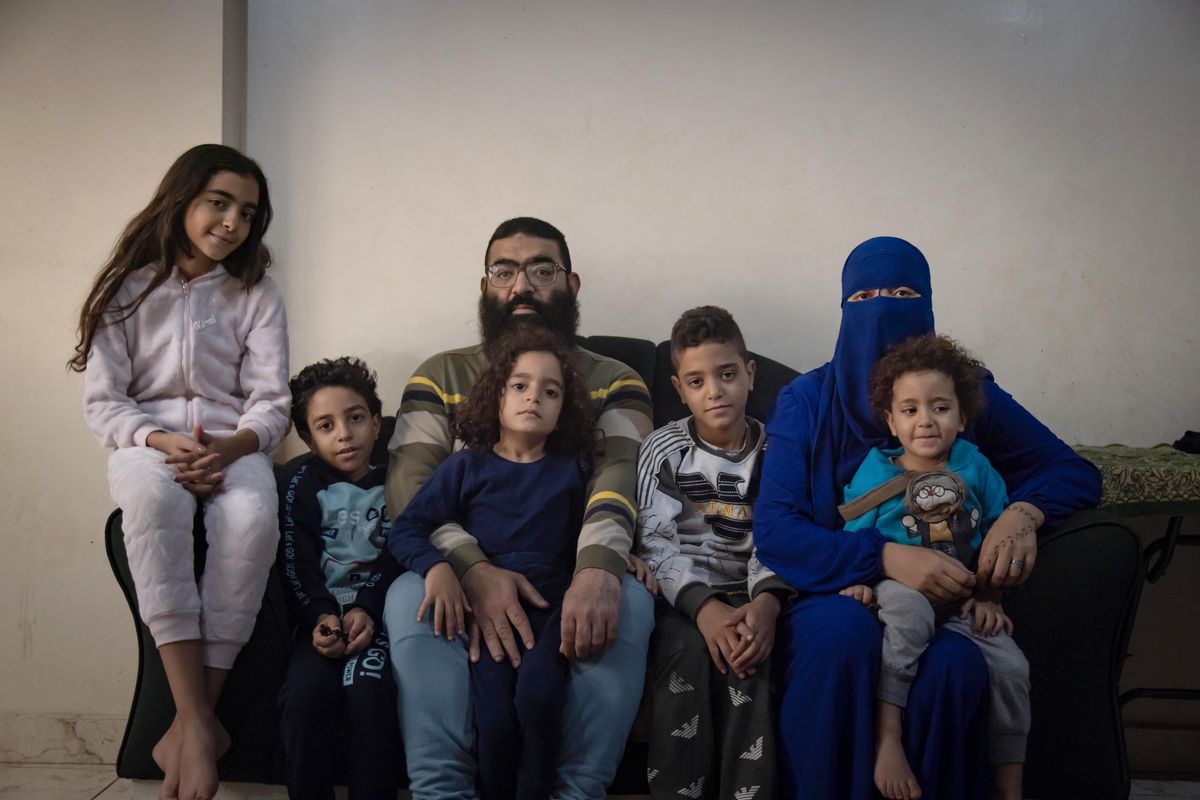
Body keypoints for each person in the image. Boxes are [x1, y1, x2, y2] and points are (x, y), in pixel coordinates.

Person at [753, 236, 1101, 800]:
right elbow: (776, 530)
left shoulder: (961, 394)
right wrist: (884, 557)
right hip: (837, 592)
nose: (883, 307)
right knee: (844, 639)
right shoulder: (806, 401)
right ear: (843, 311)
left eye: (902, 292)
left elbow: (1072, 471)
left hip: (946, 604)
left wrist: (1021, 513)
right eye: (864, 296)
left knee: (960, 665)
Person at [382, 217, 656, 799]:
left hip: (561, 566)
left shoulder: (618, 380)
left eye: (540, 270)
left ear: (571, 285)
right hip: (461, 562)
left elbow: (617, 479)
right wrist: (473, 569)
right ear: (485, 288)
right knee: (412, 594)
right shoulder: (440, 374)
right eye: (503, 271)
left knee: (623, 598)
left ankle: (577, 792)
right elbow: (410, 489)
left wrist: (594, 571)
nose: (520, 285)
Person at [74, 144, 288, 800]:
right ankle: (197, 722)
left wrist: (225, 450)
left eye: (247, 212)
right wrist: (164, 442)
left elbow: (273, 402)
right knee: (155, 508)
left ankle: (194, 721)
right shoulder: (127, 289)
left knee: (252, 520)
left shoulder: (257, 292)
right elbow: (105, 403)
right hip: (148, 444)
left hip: (235, 446)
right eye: (218, 203)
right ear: (183, 200)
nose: (232, 222)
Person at [390, 328, 598, 799]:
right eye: (520, 385)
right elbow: (407, 527)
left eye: (551, 391)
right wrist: (438, 567)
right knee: (495, 721)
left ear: (564, 407)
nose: (534, 398)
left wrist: (624, 558)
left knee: (541, 693)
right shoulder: (465, 466)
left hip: (552, 604)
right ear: (496, 394)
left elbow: (590, 535)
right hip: (487, 612)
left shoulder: (571, 468)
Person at [836, 334, 1029, 800]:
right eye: (910, 410)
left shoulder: (975, 467)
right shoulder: (875, 471)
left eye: (940, 408)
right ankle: (889, 736)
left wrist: (989, 597)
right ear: (891, 420)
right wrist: (857, 584)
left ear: (962, 417)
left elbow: (997, 539)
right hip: (899, 590)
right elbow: (853, 538)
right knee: (910, 614)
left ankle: (1011, 786)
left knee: (1012, 667)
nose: (925, 421)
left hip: (964, 600)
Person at [637, 306, 791, 800]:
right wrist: (703, 608)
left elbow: (783, 532)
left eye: (726, 374)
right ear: (679, 390)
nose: (714, 391)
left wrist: (766, 602)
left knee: (750, 660)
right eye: (697, 381)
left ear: (749, 373)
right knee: (685, 652)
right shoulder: (662, 449)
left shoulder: (777, 451)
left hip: (753, 595)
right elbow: (653, 538)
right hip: (684, 599)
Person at [277, 356, 402, 800]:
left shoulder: (402, 477)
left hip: (383, 623)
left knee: (367, 695)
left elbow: (405, 550)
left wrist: (368, 607)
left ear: (376, 421)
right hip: (320, 622)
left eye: (354, 418)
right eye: (326, 426)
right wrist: (320, 616)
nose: (345, 434)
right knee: (304, 698)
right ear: (308, 438)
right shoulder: (297, 483)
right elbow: (295, 563)